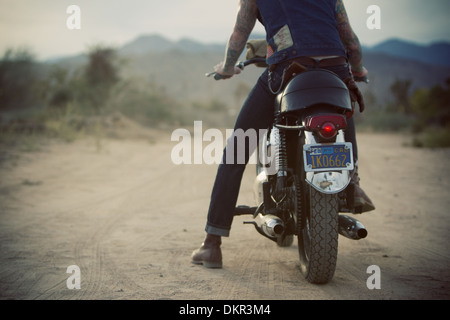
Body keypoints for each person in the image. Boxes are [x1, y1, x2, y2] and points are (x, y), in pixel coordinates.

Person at [192, 0, 375, 269]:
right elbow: (351, 41)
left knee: (236, 151)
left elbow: (239, 35)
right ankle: (353, 181)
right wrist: (357, 71)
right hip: (336, 68)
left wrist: (228, 67)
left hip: (289, 69)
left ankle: (212, 244)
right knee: (339, 108)